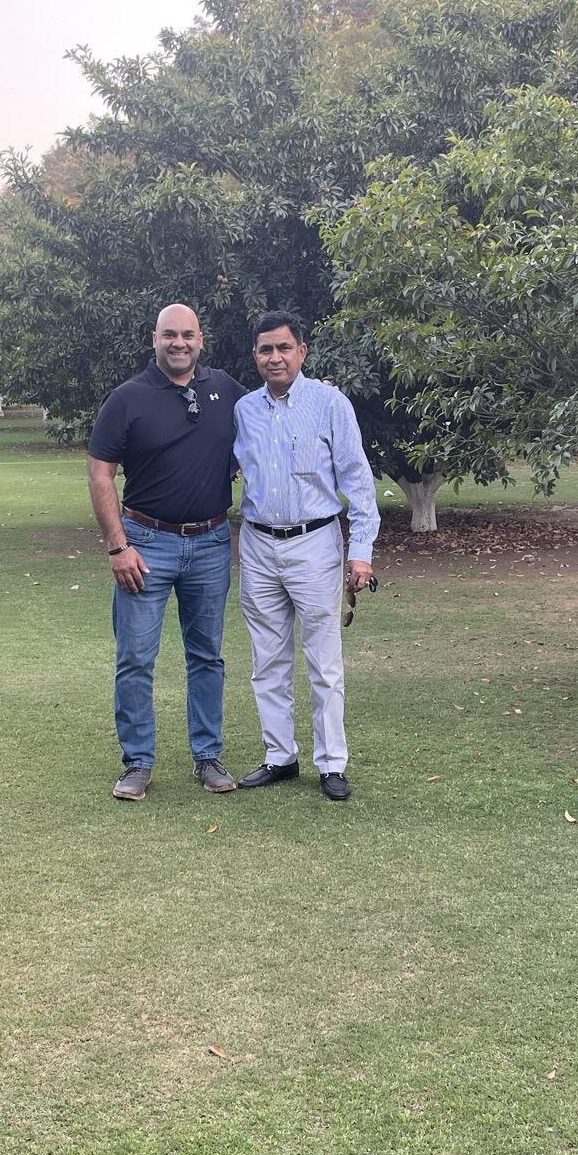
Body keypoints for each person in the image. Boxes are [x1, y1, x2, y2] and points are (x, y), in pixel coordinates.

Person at [86, 304, 249, 801]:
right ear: (153, 340)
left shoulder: (225, 390)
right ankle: (137, 762)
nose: (179, 344)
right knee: (135, 657)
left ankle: (208, 757)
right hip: (145, 543)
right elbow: (100, 473)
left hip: (211, 542)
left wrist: (318, 393)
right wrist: (118, 547)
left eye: (188, 335)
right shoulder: (127, 399)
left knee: (207, 656)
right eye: (169, 336)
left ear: (202, 340)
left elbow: (273, 412)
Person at [231, 311, 380, 801]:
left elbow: (357, 480)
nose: (275, 357)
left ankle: (331, 764)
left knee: (324, 660)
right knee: (267, 659)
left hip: (315, 543)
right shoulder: (244, 410)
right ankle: (280, 756)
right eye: (265, 349)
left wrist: (361, 554)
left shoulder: (329, 403)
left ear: (302, 351)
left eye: (284, 348)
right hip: (256, 544)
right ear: (254, 355)